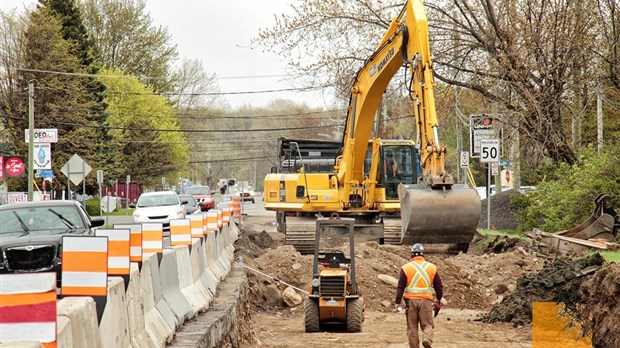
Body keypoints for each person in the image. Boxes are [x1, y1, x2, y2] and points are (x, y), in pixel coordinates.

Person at [394, 243, 444, 348]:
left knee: (412, 328)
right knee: (428, 325)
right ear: (423, 254)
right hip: (426, 301)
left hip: (410, 302)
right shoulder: (432, 267)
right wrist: (439, 299)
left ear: (412, 255)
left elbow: (400, 287)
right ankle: (426, 339)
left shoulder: (406, 268)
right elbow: (439, 286)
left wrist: (397, 303)